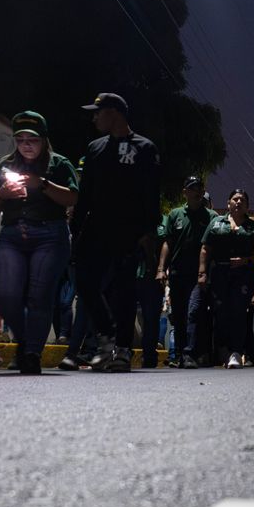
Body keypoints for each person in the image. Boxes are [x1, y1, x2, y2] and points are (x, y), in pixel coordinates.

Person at [72, 93, 162, 372]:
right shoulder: (95, 148)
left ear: (114, 113)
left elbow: (151, 195)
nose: (94, 118)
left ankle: (122, 349)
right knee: (85, 283)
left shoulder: (144, 148)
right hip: (96, 230)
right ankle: (106, 336)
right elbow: (85, 195)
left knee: (124, 291)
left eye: (98, 112)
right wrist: (76, 229)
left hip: (129, 232)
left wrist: (148, 233)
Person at [0, 111, 79, 374]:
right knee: (5, 293)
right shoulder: (6, 164)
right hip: (14, 233)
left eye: (33, 140)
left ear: (44, 139)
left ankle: (31, 353)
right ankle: (24, 340)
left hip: (49, 234)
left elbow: (73, 198)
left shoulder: (59, 164)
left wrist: (43, 184)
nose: (26, 145)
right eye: (20, 139)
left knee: (39, 295)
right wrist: (3, 193)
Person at [200, 189, 254, 367]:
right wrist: (202, 272)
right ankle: (223, 349)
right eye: (235, 199)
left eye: (242, 200)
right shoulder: (216, 223)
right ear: (228, 203)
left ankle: (236, 352)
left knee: (238, 311)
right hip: (219, 274)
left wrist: (247, 260)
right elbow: (205, 248)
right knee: (221, 312)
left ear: (247, 206)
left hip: (243, 275)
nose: (238, 202)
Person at [158, 176, 216, 368]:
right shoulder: (175, 215)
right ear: (185, 192)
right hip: (177, 273)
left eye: (199, 188)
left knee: (194, 311)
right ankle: (180, 354)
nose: (197, 191)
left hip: (198, 274)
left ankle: (189, 353)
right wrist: (161, 269)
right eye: (192, 188)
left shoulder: (211, 217)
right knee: (179, 314)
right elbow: (167, 243)